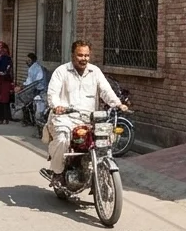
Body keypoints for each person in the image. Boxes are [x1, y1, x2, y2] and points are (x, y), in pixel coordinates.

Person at [41, 40, 126, 185]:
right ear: (73, 55)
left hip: (89, 119)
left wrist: (117, 103)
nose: (84, 59)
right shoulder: (61, 71)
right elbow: (52, 93)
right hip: (64, 118)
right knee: (62, 139)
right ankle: (58, 172)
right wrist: (56, 106)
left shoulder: (95, 72)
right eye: (80, 55)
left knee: (105, 141)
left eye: (86, 55)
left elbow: (105, 90)